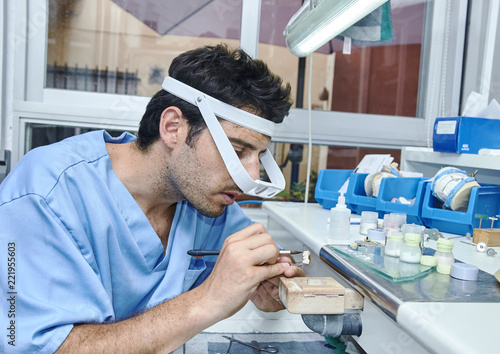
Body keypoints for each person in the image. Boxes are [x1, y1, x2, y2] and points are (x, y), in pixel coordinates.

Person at [0, 44, 303, 353]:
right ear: (173, 128)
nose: (252, 176)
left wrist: (270, 280)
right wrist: (207, 299)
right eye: (238, 151)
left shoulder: (207, 205)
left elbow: (257, 263)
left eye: (259, 157)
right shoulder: (44, 195)